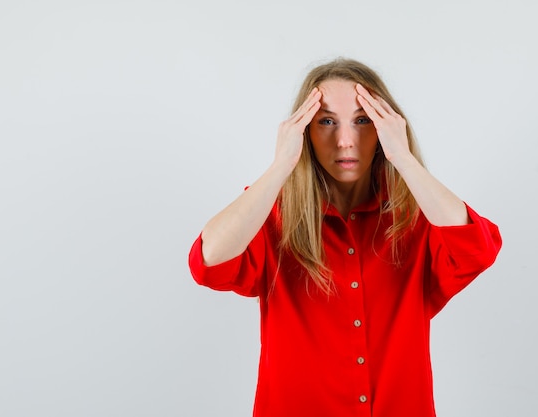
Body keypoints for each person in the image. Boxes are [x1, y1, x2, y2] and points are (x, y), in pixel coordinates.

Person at [188, 58, 502, 417]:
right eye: (326, 122)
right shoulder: (272, 212)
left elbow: (478, 250)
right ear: (303, 131)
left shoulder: (417, 216)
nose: (345, 141)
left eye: (362, 120)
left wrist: (403, 157)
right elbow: (208, 261)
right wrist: (280, 167)